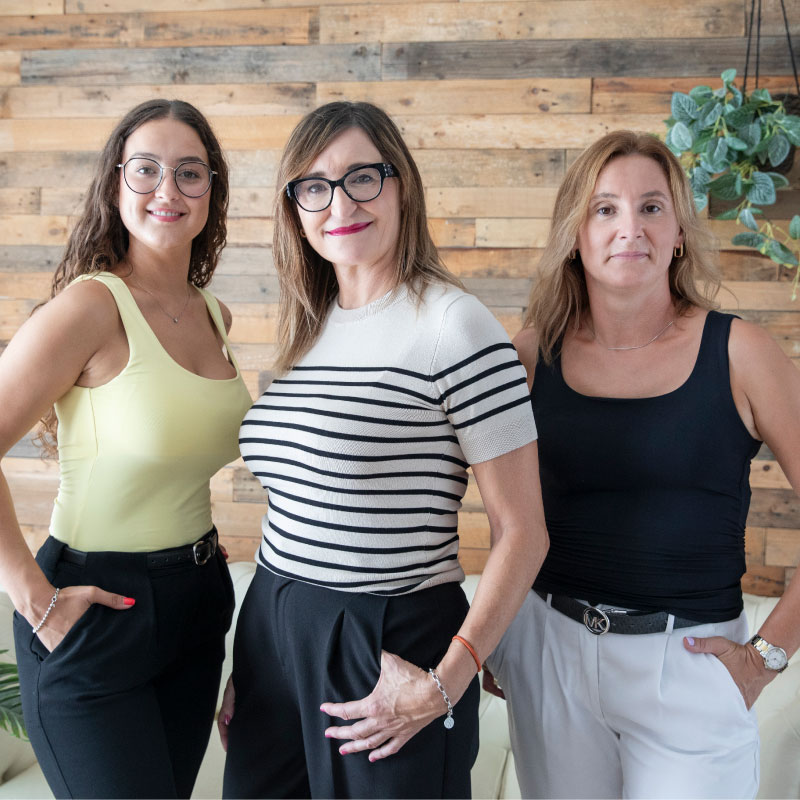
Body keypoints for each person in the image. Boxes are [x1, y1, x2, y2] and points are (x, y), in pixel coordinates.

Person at [218, 100, 549, 799]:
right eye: (314, 186)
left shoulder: (455, 325)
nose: (340, 203)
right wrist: (264, 656)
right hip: (274, 624)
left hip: (386, 636)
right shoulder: (309, 330)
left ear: (401, 185)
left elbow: (524, 532)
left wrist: (447, 679)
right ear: (294, 207)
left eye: (362, 177)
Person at [483, 130, 800, 799]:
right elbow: (506, 511)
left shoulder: (741, 352)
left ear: (680, 230)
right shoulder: (530, 356)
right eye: (605, 209)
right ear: (575, 232)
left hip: (690, 665)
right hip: (551, 650)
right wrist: (500, 632)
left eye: (651, 207)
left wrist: (765, 658)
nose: (630, 228)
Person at [1, 99, 252, 799]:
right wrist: (36, 600)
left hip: (198, 601)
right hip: (93, 606)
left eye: (189, 173)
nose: (167, 191)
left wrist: (187, 546)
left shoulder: (215, 314)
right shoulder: (90, 307)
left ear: (213, 193)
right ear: (115, 183)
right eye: (145, 169)